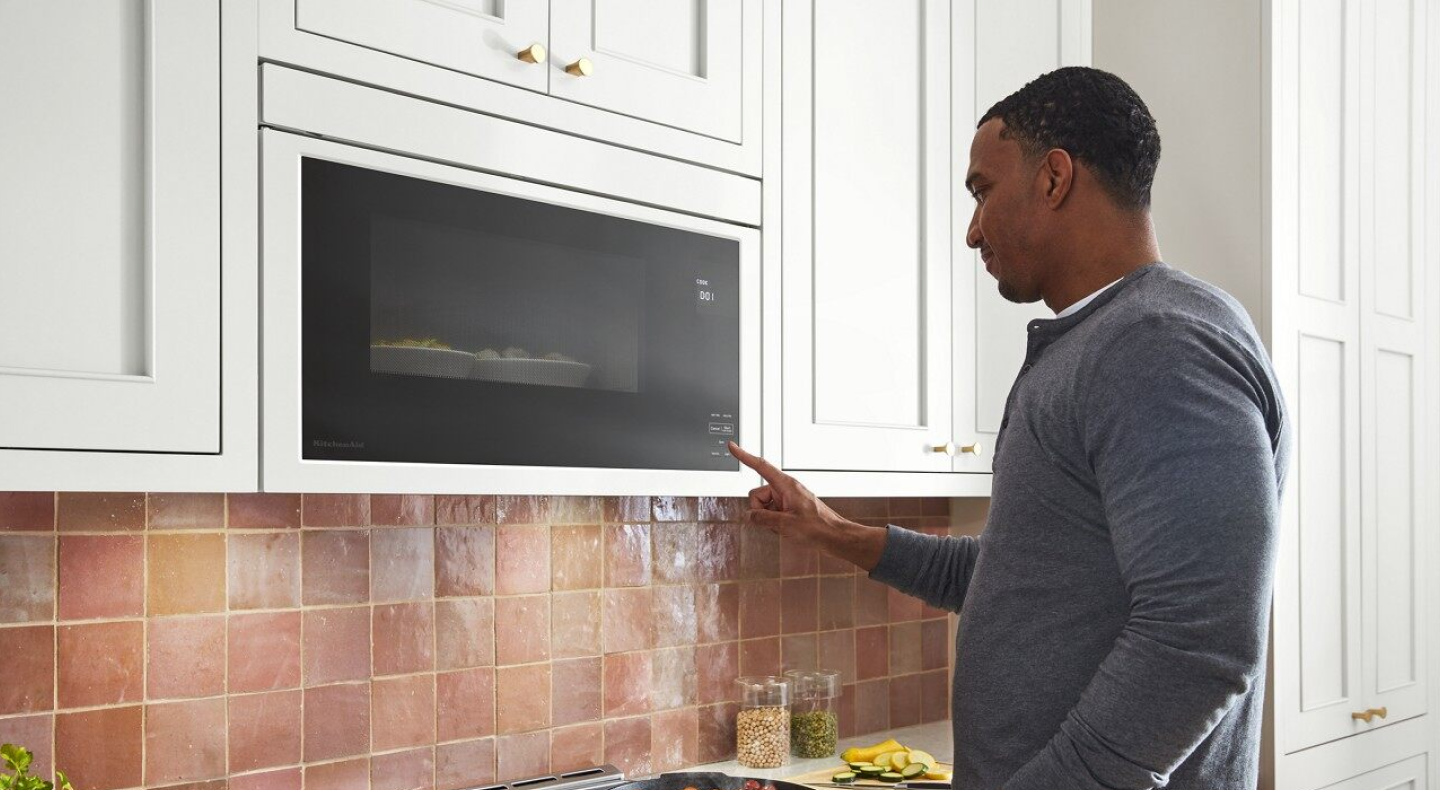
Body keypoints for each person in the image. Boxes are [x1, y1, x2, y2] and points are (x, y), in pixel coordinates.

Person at [727, 66, 1289, 790]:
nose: (971, 231)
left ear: (1054, 178)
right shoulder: (1112, 341)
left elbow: (1201, 641)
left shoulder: (1158, 344)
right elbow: (1014, 577)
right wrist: (828, 528)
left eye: (983, 191)